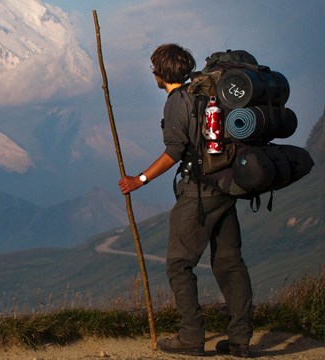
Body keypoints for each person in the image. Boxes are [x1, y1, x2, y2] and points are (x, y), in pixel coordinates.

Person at [118, 43, 253, 358]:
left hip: (199, 192)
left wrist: (139, 180)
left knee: (179, 264)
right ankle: (240, 340)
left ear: (159, 74)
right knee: (230, 263)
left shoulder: (178, 102)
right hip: (227, 186)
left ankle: (191, 336)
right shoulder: (208, 92)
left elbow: (175, 151)